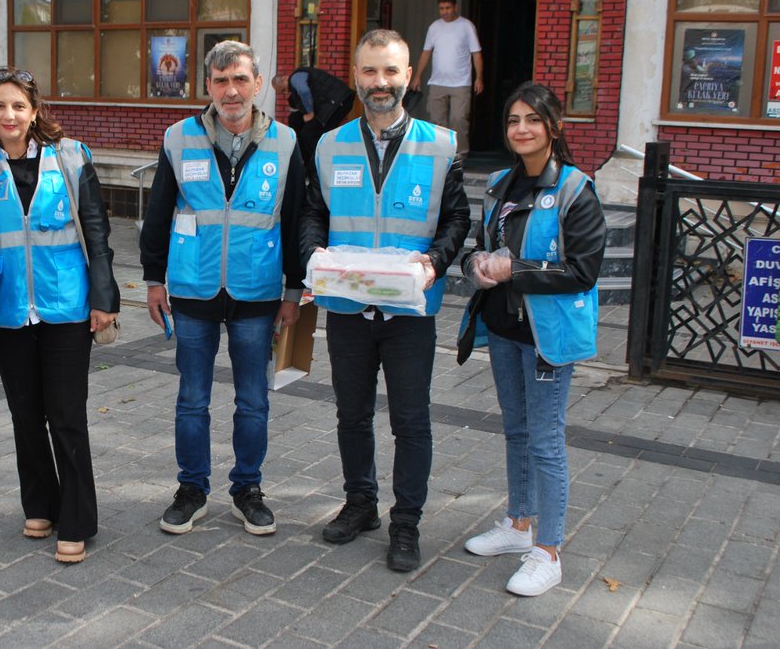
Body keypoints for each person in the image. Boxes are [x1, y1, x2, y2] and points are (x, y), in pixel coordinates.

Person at [299, 29, 470, 572]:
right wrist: (311, 256)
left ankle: (406, 523)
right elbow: (312, 212)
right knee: (351, 414)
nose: (381, 83)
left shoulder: (441, 145)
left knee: (410, 421)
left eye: (391, 71)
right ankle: (360, 504)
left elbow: (457, 217)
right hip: (347, 308)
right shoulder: (329, 144)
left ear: (409, 77)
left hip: (409, 312)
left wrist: (437, 260)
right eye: (370, 72)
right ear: (355, 76)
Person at [141, 40, 305, 537]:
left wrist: (295, 291)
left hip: (257, 293)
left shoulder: (286, 142)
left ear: (258, 84)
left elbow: (297, 220)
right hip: (192, 291)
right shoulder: (178, 138)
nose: (230, 91)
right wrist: (153, 279)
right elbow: (158, 214)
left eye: (240, 79)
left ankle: (247, 490)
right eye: (220, 81)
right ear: (207, 86)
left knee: (253, 400)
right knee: (192, 398)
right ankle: (192, 489)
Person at [457, 82, 605, 596]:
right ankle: (519, 525)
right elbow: (482, 249)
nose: (521, 129)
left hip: (547, 338)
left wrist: (514, 269)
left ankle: (549, 549)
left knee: (545, 439)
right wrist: (477, 264)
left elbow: (582, 271)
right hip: (502, 330)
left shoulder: (574, 190)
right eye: (513, 120)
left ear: (553, 127)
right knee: (516, 432)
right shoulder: (499, 185)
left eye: (532, 120)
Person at [0, 66, 119, 565]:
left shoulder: (71, 157)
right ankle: (38, 503)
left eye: (18, 105)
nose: (9, 115)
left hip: (66, 308)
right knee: (24, 416)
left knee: (66, 416)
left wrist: (104, 298)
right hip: (6, 311)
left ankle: (77, 518)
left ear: (34, 110)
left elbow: (96, 231)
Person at [410, 0, 483, 157]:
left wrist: (479, 77)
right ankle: (439, 155)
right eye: (441, 8)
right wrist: (417, 76)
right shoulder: (434, 27)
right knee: (437, 122)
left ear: (455, 7)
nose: (445, 12)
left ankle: (460, 155)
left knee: (459, 119)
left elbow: (476, 53)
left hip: (461, 83)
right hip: (437, 82)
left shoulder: (466, 26)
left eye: (448, 8)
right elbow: (426, 52)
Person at [271, 66, 356, 170]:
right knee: (297, 121)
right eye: (282, 92)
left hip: (337, 101)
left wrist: (310, 113)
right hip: (333, 102)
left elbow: (304, 91)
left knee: (310, 133)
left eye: (283, 89)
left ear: (285, 78)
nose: (285, 93)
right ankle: (307, 162)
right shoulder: (296, 85)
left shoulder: (295, 78)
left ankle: (322, 164)